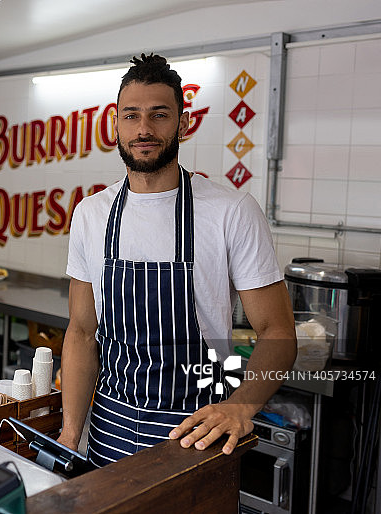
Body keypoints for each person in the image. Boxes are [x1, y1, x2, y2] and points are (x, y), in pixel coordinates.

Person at [56, 54, 297, 467]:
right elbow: (80, 332)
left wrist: (241, 407)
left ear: (183, 124)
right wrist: (70, 432)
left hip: (196, 431)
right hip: (107, 431)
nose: (144, 129)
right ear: (116, 124)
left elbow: (278, 331)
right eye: (131, 116)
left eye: (159, 115)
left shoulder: (231, 210)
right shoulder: (91, 213)